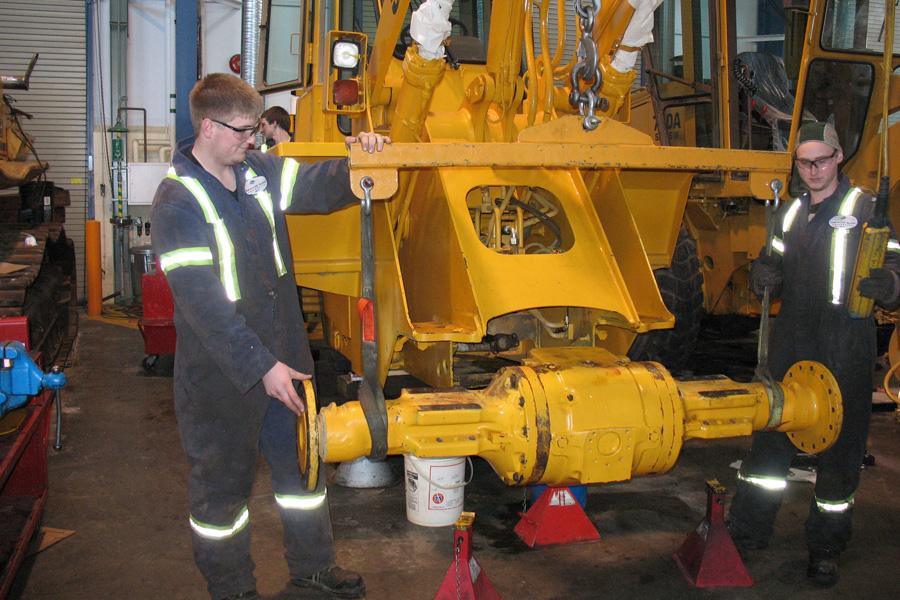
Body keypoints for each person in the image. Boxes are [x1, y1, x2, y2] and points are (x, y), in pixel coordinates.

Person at [151, 73, 390, 600]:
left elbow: (319, 186)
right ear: (208, 128)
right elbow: (204, 306)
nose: (253, 139)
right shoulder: (177, 203)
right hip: (222, 378)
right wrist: (261, 366)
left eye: (256, 129)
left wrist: (362, 158)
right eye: (243, 131)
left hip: (287, 361)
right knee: (222, 494)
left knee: (303, 473)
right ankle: (232, 589)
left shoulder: (258, 171)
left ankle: (314, 569)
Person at [728, 121, 900, 587]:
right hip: (792, 340)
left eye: (821, 160)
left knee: (840, 451)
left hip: (845, 342)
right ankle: (747, 531)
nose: (813, 170)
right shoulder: (789, 213)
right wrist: (763, 275)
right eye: (804, 163)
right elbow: (772, 262)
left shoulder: (865, 208)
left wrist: (890, 284)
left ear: (838, 156)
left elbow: (894, 259)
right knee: (771, 439)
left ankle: (826, 548)